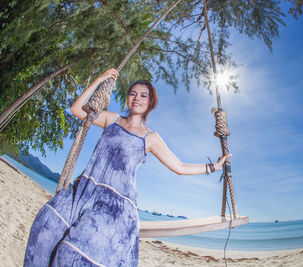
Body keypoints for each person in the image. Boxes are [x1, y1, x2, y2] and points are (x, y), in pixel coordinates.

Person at [24, 68, 231, 266]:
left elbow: (179, 166)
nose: (137, 98)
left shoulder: (150, 138)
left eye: (143, 95)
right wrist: (100, 79)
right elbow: (76, 109)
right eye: (133, 94)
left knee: (73, 255)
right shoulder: (111, 119)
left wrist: (214, 166)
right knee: (45, 227)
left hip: (115, 204)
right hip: (84, 191)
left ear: (150, 103)